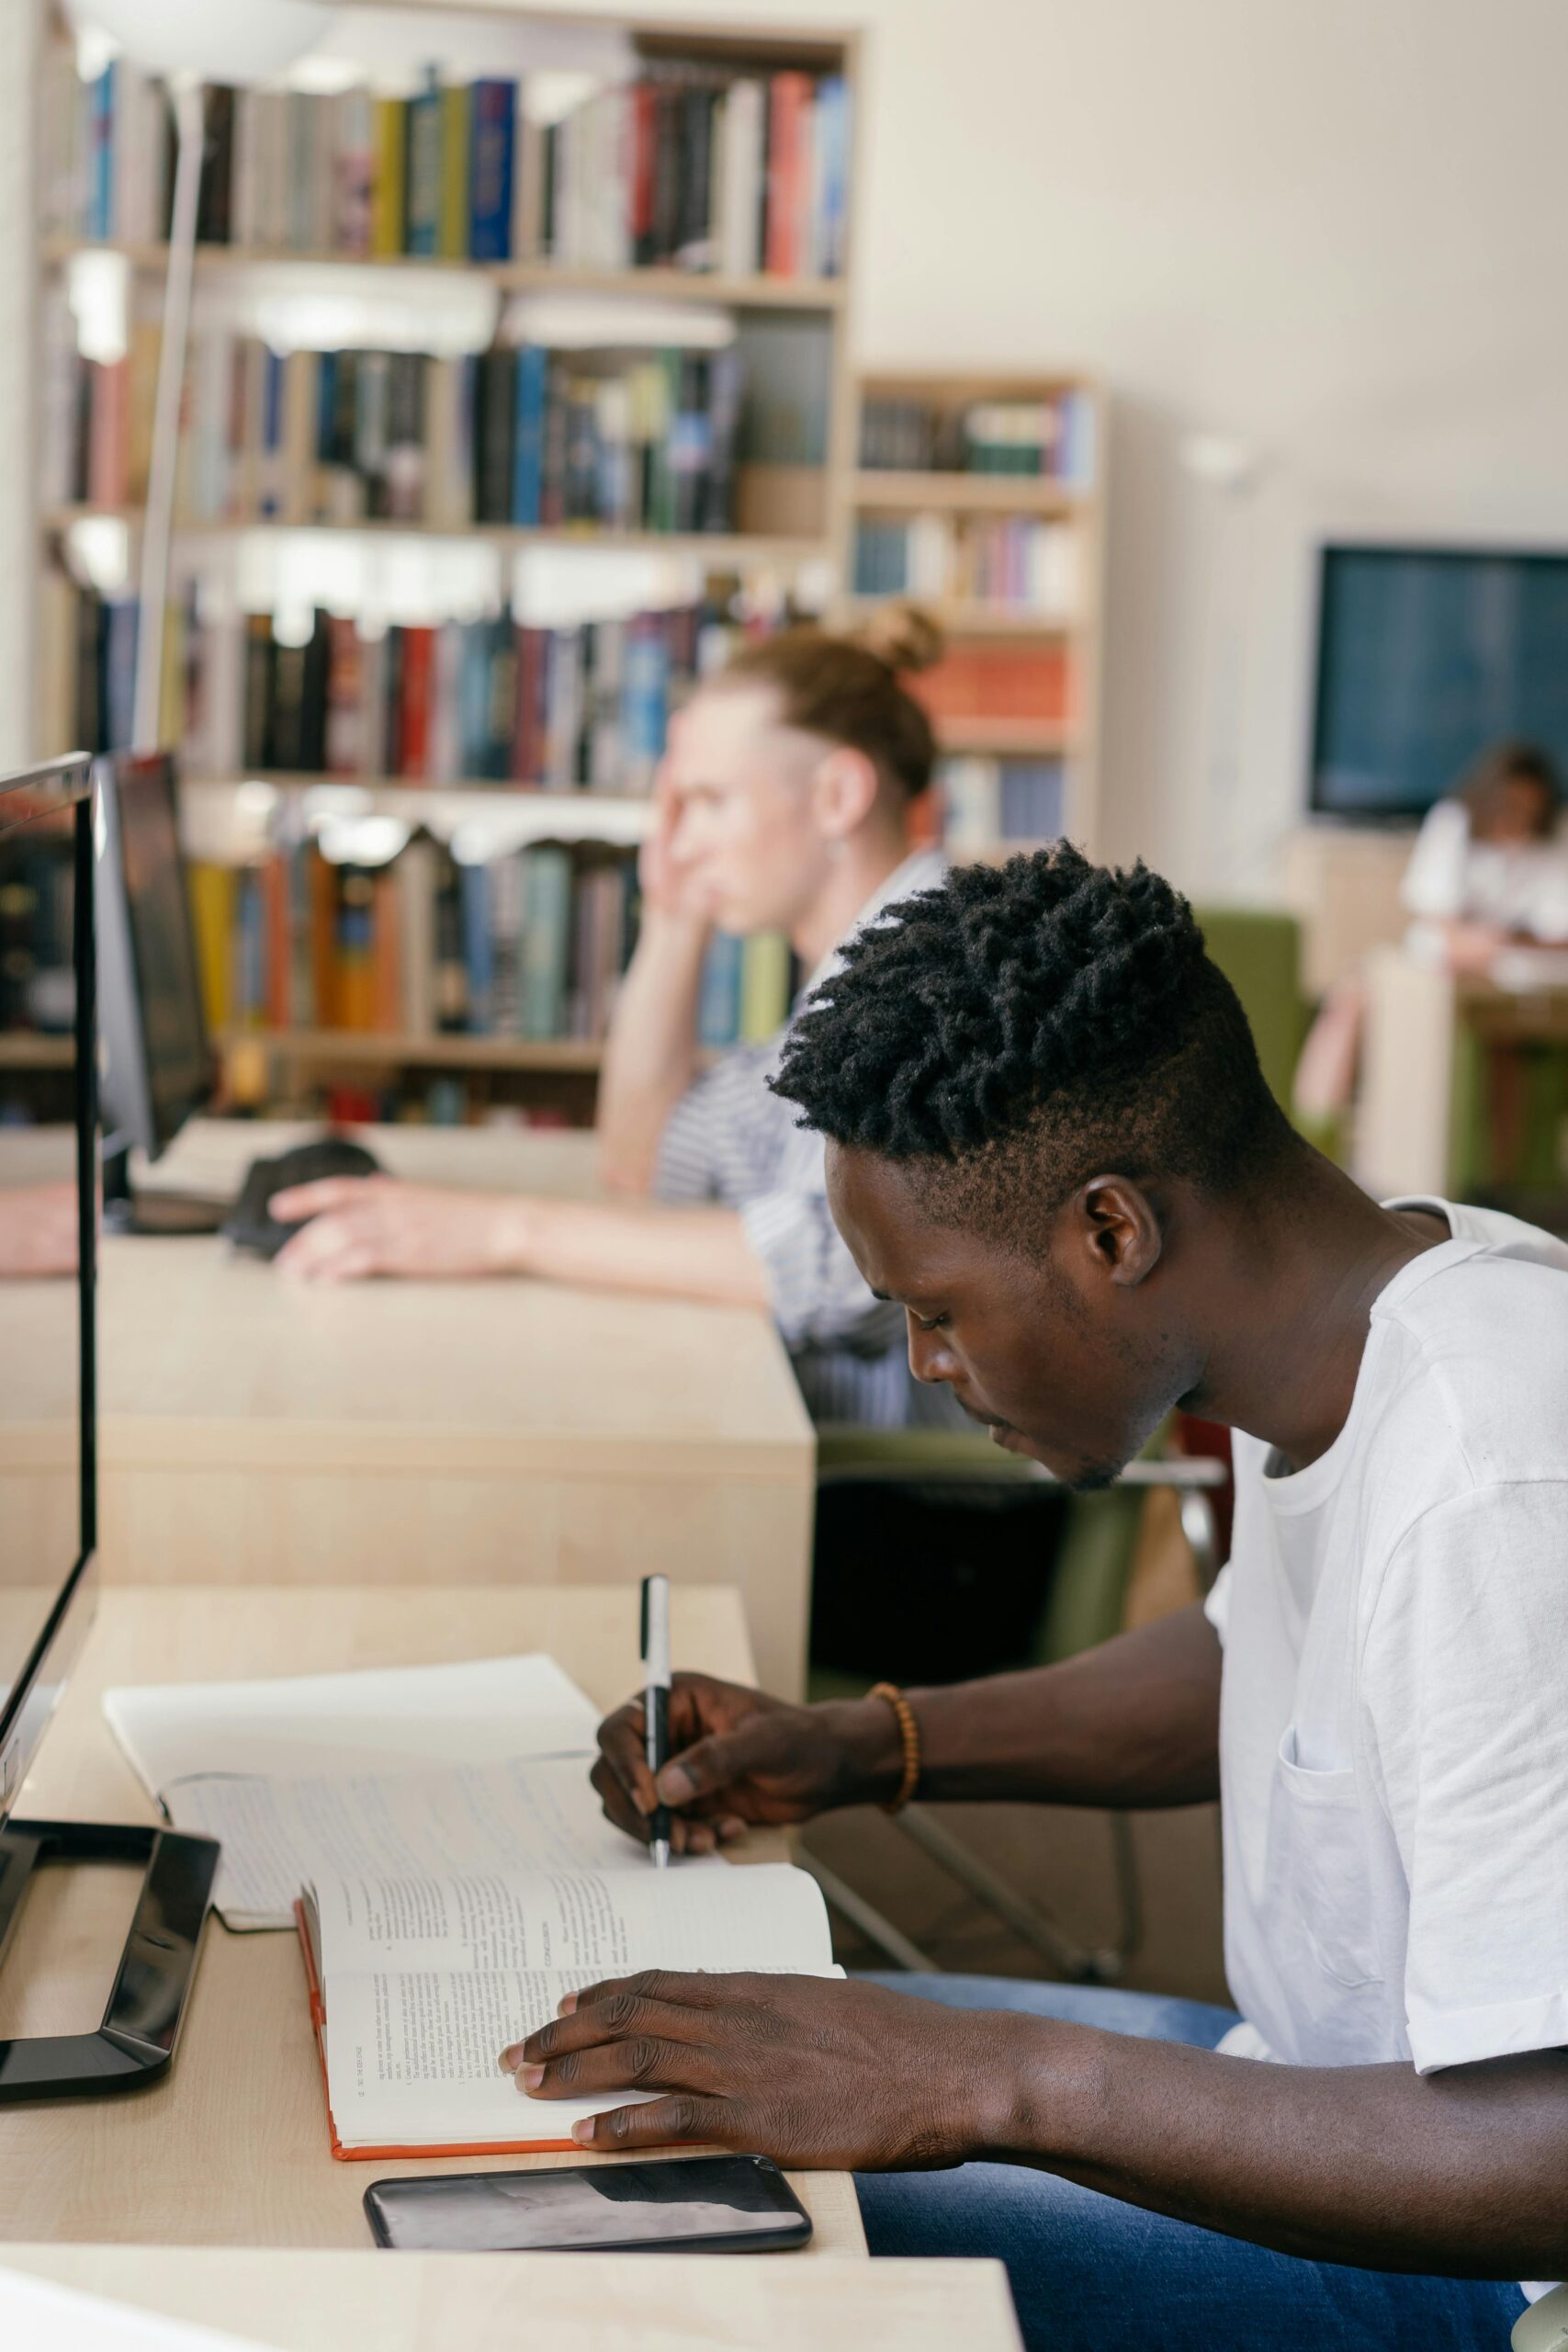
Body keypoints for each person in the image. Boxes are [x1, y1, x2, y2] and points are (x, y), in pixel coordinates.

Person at [499, 846, 1568, 2352]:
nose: (929, 1367)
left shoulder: (1495, 1469)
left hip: (1471, 2258)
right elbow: (1256, 1670)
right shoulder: (1350, 1309)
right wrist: (864, 1745)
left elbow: (1545, 2159)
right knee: (685, 2078)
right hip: (1300, 2086)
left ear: (1110, 1231)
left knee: (658, 2255)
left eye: (936, 1312)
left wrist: (992, 2080)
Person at [271, 605, 954, 1425]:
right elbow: (648, 1162)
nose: (683, 839)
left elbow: (842, 1269)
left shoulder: (931, 978)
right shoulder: (856, 973)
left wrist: (504, 1233)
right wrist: (671, 917)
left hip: (909, 1508)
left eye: (707, 802)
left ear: (838, 794)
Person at [1402, 739, 1568, 973]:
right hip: (1461, 944)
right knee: (1427, 945)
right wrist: (1482, 943)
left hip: (1528, 952)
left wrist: (1511, 943)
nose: (1519, 818)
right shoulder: (1453, 820)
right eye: (1512, 806)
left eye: (1530, 810)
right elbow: (1437, 911)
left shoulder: (1558, 832)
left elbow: (1559, 930)